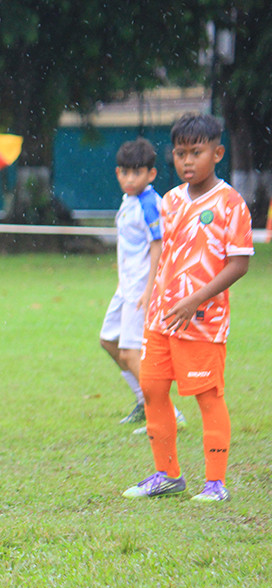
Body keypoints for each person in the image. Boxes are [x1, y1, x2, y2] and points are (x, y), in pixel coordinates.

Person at [122, 112, 252, 502]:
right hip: (162, 319)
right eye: (180, 154)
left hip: (203, 322)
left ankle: (215, 483)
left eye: (196, 152)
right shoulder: (171, 201)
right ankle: (167, 474)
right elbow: (165, 254)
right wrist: (154, 296)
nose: (187, 161)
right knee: (152, 389)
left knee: (207, 396)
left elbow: (240, 263)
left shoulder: (231, 204)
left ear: (218, 153)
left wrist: (195, 299)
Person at [99, 137, 164, 426]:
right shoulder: (129, 200)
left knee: (130, 351)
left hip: (140, 289)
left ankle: (166, 413)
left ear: (151, 174)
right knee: (108, 340)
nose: (129, 178)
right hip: (125, 288)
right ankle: (142, 399)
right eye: (124, 172)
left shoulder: (150, 203)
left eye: (136, 172)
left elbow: (159, 246)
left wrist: (150, 290)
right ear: (117, 173)